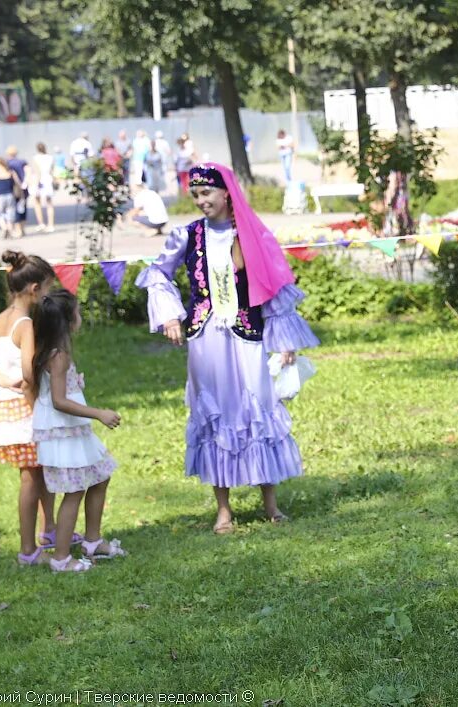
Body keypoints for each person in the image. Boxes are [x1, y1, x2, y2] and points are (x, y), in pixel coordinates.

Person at [134, 163, 319, 533]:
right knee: (215, 412)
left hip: (248, 334)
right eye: (196, 195)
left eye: (208, 193)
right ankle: (223, 510)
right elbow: (157, 273)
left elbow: (273, 288)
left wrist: (285, 344)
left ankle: (270, 502)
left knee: (257, 407)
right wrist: (171, 315)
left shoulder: (251, 235)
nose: (202, 201)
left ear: (226, 193)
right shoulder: (186, 236)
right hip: (207, 339)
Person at [0, 251, 64, 566]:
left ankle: (49, 530)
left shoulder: (0, 319)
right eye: (49, 288)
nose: (49, 295)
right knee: (31, 478)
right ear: (34, 289)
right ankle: (28, 550)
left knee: (40, 472)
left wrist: (4, 382)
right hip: (25, 411)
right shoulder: (25, 323)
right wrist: (28, 394)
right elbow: (28, 373)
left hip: (5, 411)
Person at [30, 290, 125, 572]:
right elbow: (59, 401)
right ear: (68, 321)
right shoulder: (57, 357)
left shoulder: (52, 351)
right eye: (77, 312)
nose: (80, 317)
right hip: (64, 433)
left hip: (73, 432)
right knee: (74, 492)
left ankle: (93, 541)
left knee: (100, 476)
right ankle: (61, 558)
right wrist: (99, 414)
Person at [0, 158, 22, 240]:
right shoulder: (10, 172)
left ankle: (5, 228)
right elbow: (18, 183)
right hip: (10, 195)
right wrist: (20, 194)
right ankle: (10, 231)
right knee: (10, 215)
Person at [28, 143, 56, 233]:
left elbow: (37, 172)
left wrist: (35, 184)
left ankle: (41, 223)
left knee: (37, 202)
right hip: (48, 180)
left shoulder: (35, 158)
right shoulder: (50, 157)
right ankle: (51, 224)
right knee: (49, 203)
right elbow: (52, 170)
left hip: (39, 181)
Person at [5, 147, 29, 236]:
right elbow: (28, 172)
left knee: (15, 209)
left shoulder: (7, 164)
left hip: (14, 188)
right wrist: (25, 183)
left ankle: (18, 230)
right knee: (23, 208)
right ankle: (23, 229)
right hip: (24, 187)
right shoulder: (22, 162)